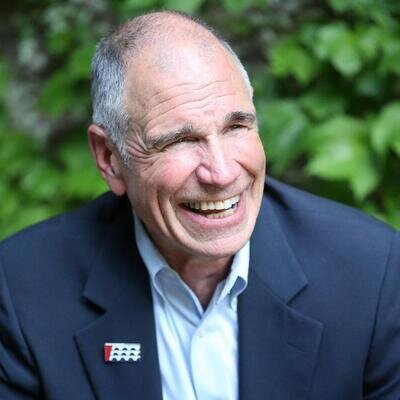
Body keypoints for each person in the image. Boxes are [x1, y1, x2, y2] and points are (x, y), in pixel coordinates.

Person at [0, 10, 399, 400]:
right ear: (109, 158)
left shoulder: (372, 271)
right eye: (179, 140)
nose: (222, 173)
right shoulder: (21, 290)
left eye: (236, 126)